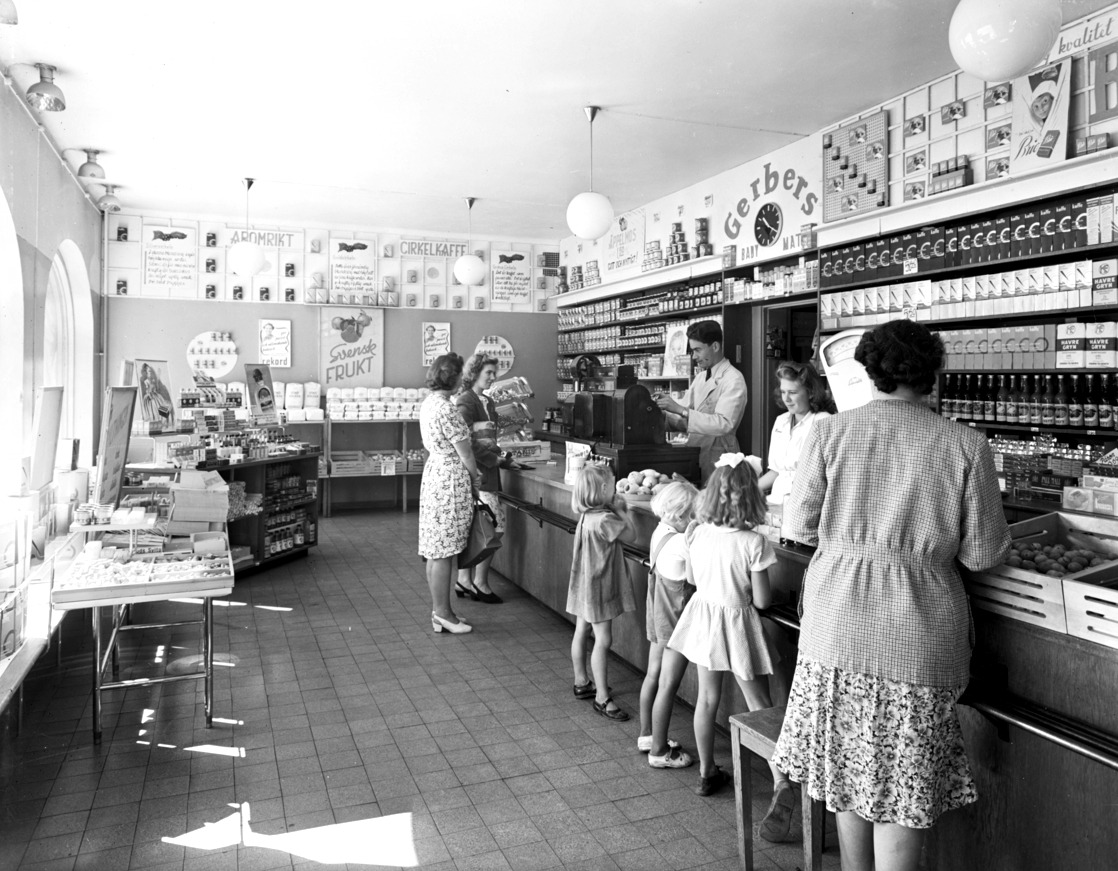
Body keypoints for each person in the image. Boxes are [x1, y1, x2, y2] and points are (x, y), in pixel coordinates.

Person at [771, 320, 1011, 871]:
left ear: (868, 370)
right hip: (919, 634)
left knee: (848, 773)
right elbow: (982, 554)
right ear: (932, 373)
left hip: (835, 629)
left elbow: (800, 524)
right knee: (903, 792)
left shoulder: (829, 434)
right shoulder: (966, 445)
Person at [665, 454, 786, 802]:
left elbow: (690, 579)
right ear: (751, 497)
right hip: (737, 624)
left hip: (704, 619)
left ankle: (706, 771)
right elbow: (761, 601)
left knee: (707, 699)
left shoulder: (696, 533)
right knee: (758, 702)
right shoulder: (753, 542)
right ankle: (780, 781)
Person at [567, 463, 638, 721]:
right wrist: (622, 511)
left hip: (584, 584)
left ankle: (581, 680)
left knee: (580, 631)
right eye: (612, 483)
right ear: (604, 489)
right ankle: (602, 698)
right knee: (603, 640)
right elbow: (632, 535)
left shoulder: (587, 515)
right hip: (600, 587)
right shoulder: (606, 519)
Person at [418, 353, 482, 635]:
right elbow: (466, 453)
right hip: (451, 480)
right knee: (445, 551)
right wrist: (475, 480)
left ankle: (440, 611)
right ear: (454, 378)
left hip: (434, 475)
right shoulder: (448, 409)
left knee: (435, 549)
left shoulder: (429, 404)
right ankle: (444, 613)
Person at [639, 480, 699, 769]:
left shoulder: (661, 532)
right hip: (676, 624)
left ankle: (647, 735)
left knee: (653, 675)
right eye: (693, 516)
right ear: (679, 517)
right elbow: (696, 579)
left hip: (657, 616)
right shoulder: (681, 543)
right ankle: (660, 751)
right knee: (668, 683)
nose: (696, 520)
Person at [454, 353, 519, 604]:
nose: (493, 377)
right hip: (478, 475)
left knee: (478, 529)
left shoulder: (488, 401)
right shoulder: (466, 401)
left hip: (488, 472)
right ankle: (479, 582)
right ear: (474, 372)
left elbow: (489, 439)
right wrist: (494, 460)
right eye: (488, 373)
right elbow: (466, 442)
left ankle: (464, 579)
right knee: (494, 528)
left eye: (495, 372)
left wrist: (504, 457)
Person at [654, 320, 748, 482]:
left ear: (715, 347)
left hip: (719, 457)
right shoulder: (700, 377)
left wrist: (679, 409)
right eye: (692, 351)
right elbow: (684, 420)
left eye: (698, 350)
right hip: (695, 453)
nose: (694, 357)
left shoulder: (733, 379)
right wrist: (659, 414)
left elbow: (724, 424)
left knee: (715, 501)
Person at [757, 361, 835, 506]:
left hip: (807, 504)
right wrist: (747, 491)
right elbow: (776, 471)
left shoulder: (824, 421)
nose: (786, 399)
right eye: (783, 392)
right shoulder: (781, 421)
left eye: (792, 393)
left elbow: (829, 475)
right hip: (777, 501)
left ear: (810, 392)